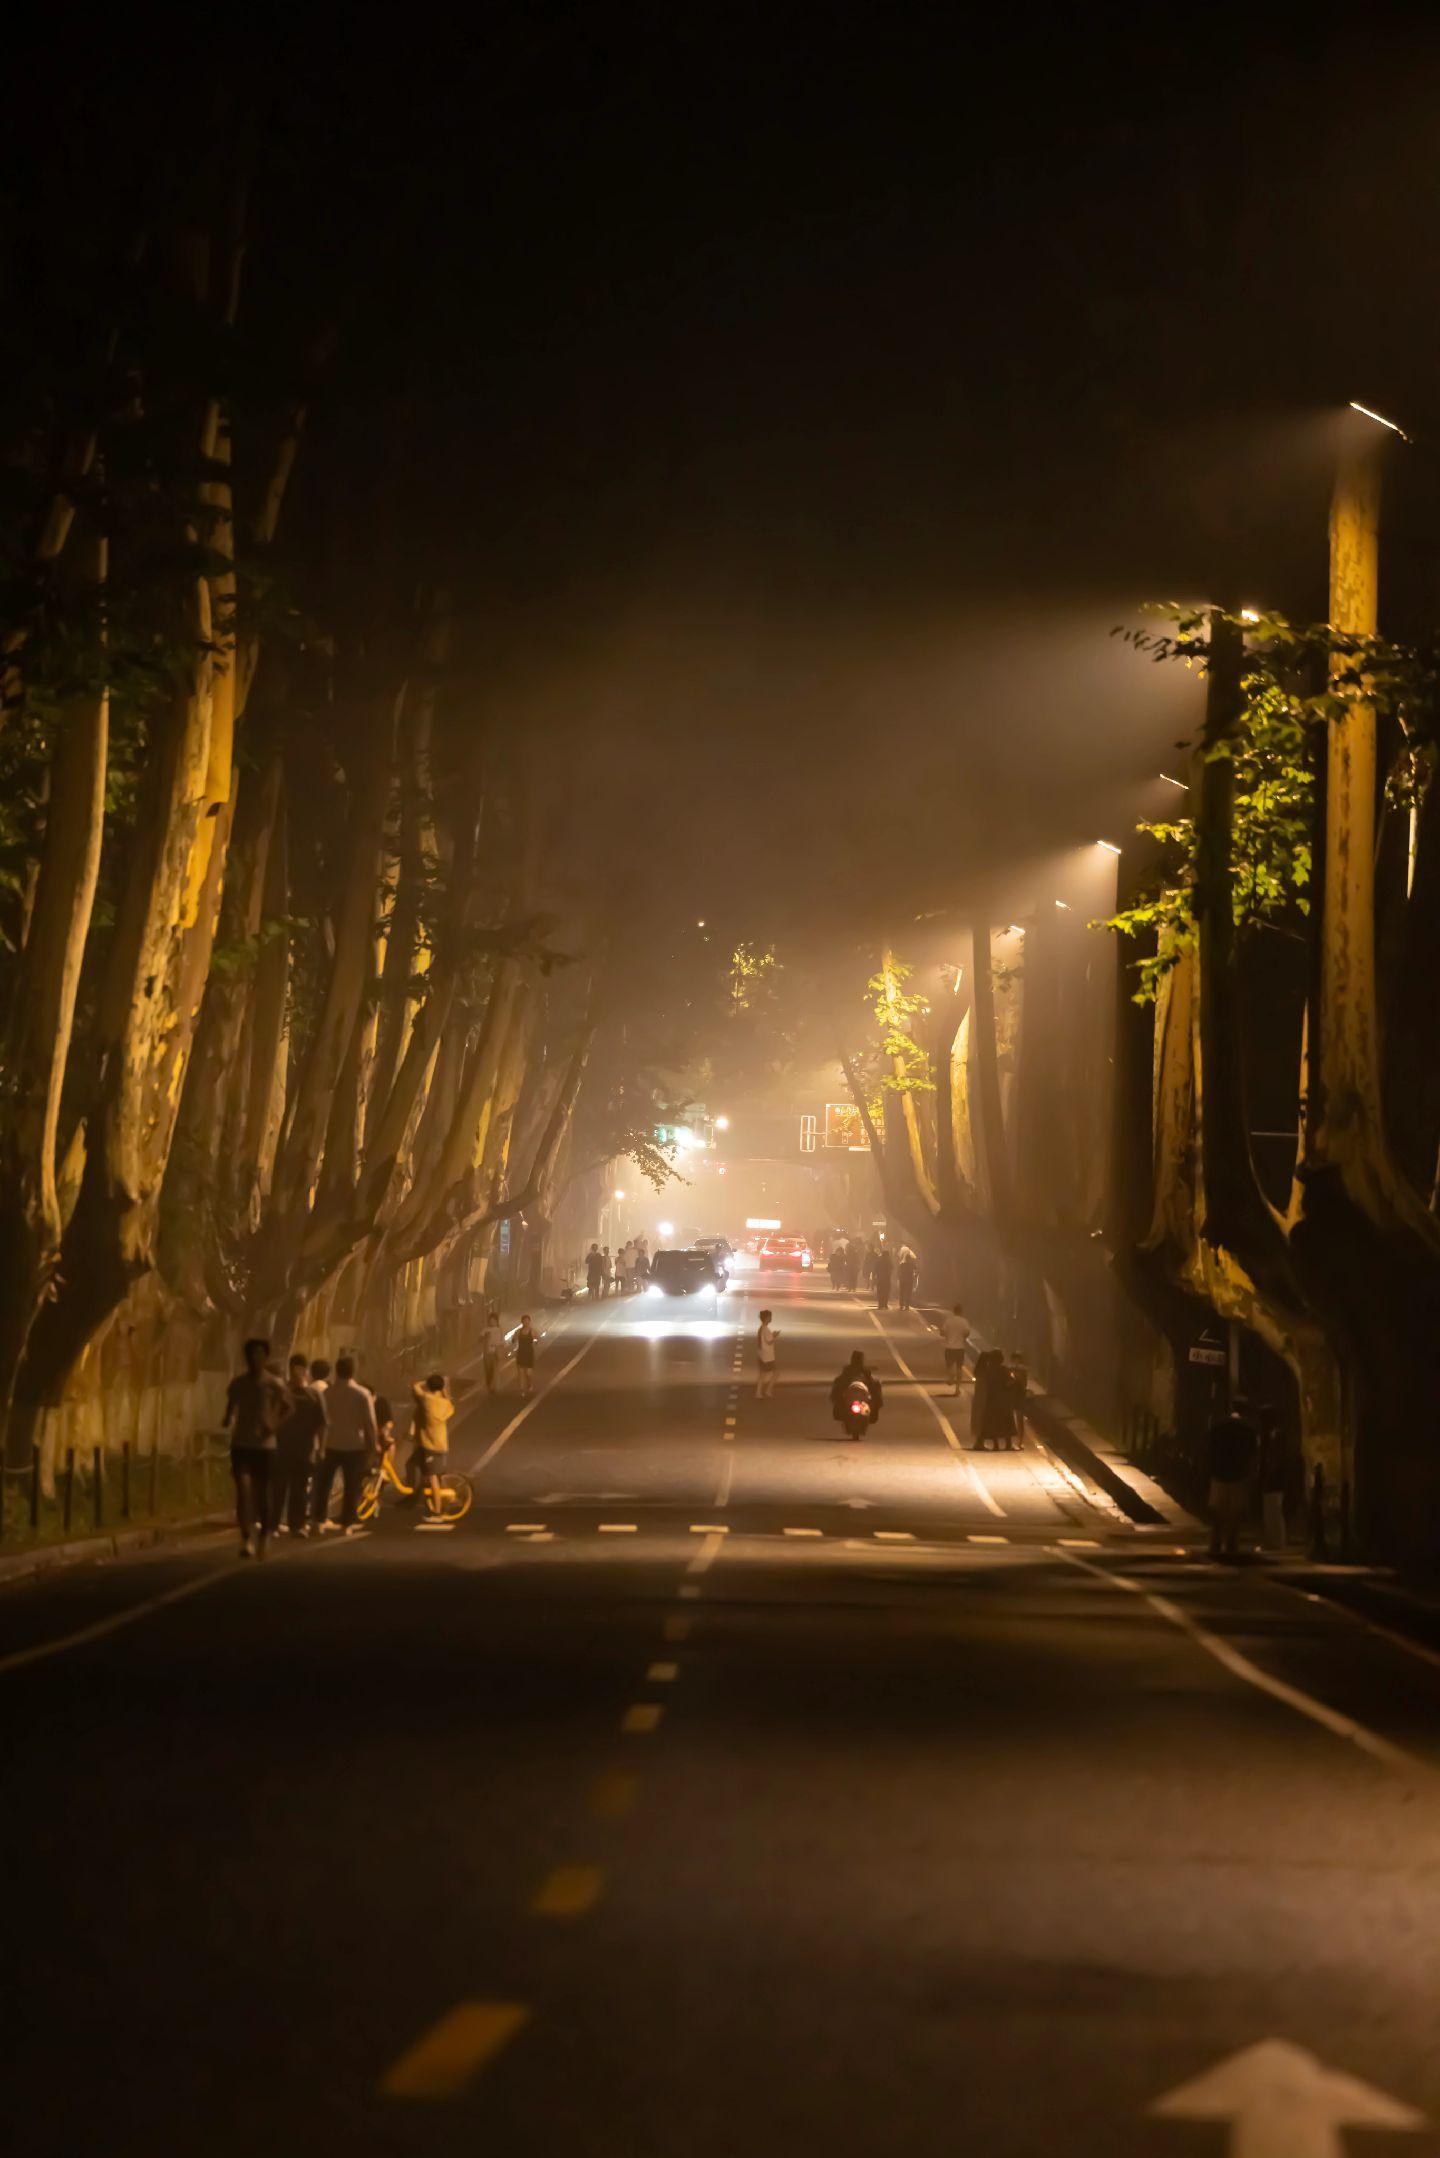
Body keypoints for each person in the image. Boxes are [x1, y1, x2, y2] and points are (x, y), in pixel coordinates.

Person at [222, 1336, 289, 1559]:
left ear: (265, 1357)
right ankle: (246, 1537)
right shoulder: (238, 1383)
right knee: (243, 1489)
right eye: (251, 1354)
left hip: (265, 1446)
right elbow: (231, 1407)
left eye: (260, 1354)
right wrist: (228, 1419)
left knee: (263, 1493)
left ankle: (264, 1536)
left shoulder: (274, 1383)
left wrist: (274, 1425)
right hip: (241, 1443)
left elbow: (290, 1407)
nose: (255, 1358)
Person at [313, 1354, 378, 1533]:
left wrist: (320, 1445)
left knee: (324, 1485)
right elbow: (370, 1424)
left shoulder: (328, 1393)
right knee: (351, 1486)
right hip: (354, 1446)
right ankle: (347, 1524)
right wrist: (373, 1447)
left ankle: (318, 1520)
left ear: (337, 1371)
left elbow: (320, 1421)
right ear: (353, 1371)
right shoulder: (362, 1394)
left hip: (330, 1444)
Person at [273, 1352, 327, 1536]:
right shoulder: (282, 1392)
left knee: (300, 1488)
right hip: (281, 1447)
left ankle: (296, 1525)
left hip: (305, 1449)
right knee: (278, 1487)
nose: (300, 1372)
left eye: (302, 1369)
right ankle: (273, 1524)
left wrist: (321, 1447)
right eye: (297, 1369)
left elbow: (322, 1423)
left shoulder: (314, 1395)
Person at [1207, 1397, 1259, 1560]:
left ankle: (1215, 1543)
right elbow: (1253, 1454)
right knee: (1236, 1512)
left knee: (1218, 1510)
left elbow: (1210, 1448)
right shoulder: (1248, 1430)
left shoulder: (1219, 1426)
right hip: (1239, 1475)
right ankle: (1231, 1543)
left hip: (1219, 1473)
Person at [412, 1372, 456, 1514]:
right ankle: (439, 1502)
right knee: (435, 1475)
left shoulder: (427, 1400)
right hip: (442, 1444)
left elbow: (414, 1386)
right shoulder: (446, 1404)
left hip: (430, 1445)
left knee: (433, 1480)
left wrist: (425, 1381)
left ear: (429, 1386)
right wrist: (442, 1386)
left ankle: (437, 1511)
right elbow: (447, 1397)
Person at [829, 1349, 884, 1435]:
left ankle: (870, 1414)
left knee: (876, 1395)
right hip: (850, 1396)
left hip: (862, 1395)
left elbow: (873, 1387)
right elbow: (839, 1386)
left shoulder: (864, 1372)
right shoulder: (848, 1371)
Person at [1258, 1403, 1288, 1551]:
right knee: (1271, 1511)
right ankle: (1272, 1541)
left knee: (1274, 1510)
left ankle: (1276, 1542)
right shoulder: (1272, 1435)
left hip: (1274, 1479)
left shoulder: (1276, 1435)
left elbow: (1274, 1459)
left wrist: (1268, 1473)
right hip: (1273, 1479)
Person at [970, 1345, 1008, 1450]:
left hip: (978, 1399)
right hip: (984, 1400)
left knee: (979, 1422)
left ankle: (979, 1443)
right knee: (983, 1422)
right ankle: (979, 1443)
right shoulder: (986, 1372)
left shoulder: (979, 1371)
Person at [939, 1303, 972, 1395]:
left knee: (949, 1365)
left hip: (949, 1347)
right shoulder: (964, 1321)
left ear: (954, 1311)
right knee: (959, 1368)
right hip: (960, 1348)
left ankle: (951, 1377)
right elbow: (967, 1333)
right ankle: (957, 1389)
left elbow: (942, 1332)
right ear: (961, 1312)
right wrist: (962, 1337)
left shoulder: (949, 1321)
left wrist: (948, 1335)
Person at [1002, 1351, 1028, 1449]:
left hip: (1018, 1396)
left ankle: (1019, 1442)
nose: (1017, 1362)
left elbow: (1022, 1383)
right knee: (1011, 1419)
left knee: (1019, 1419)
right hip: (1012, 1396)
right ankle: (1011, 1442)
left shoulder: (1021, 1370)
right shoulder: (1009, 1369)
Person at [755, 1308, 780, 1398]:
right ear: (766, 1318)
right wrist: (775, 1336)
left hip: (762, 1355)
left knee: (762, 1375)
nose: (771, 1318)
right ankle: (767, 1391)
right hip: (768, 1357)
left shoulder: (762, 1328)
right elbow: (769, 1341)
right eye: (770, 1317)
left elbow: (762, 1341)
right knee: (776, 1373)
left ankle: (759, 1393)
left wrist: (772, 1335)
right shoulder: (765, 1329)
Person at [481, 1307, 506, 1393]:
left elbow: (503, 1341)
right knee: (488, 1370)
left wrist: (496, 1344)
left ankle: (496, 1387)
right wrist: (484, 1337)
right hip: (487, 1353)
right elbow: (480, 1339)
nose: (492, 1322)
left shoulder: (500, 1330)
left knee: (496, 1369)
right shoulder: (485, 1330)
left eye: (494, 1320)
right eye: (490, 1320)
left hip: (496, 1352)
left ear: (496, 1321)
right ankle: (489, 1385)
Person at [515, 1314, 538, 1396]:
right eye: (524, 1321)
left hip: (529, 1353)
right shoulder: (518, 1331)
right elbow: (513, 1340)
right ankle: (521, 1388)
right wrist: (514, 1338)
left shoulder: (532, 1331)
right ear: (522, 1322)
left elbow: (536, 1339)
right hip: (521, 1352)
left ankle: (530, 1384)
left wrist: (535, 1340)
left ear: (529, 1321)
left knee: (528, 1372)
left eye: (527, 1321)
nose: (526, 1322)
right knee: (520, 1372)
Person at [896, 1244, 919, 1310]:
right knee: (908, 1293)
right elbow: (916, 1270)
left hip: (902, 1280)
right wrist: (915, 1275)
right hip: (909, 1280)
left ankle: (901, 1305)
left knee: (902, 1293)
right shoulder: (912, 1265)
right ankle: (907, 1306)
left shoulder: (902, 1265)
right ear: (910, 1259)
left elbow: (898, 1272)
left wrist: (898, 1278)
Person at [873, 1245, 893, 1311]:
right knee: (886, 1292)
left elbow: (875, 1269)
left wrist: (874, 1276)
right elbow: (892, 1267)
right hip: (887, 1279)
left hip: (880, 1279)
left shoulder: (879, 1260)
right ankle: (885, 1304)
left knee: (880, 1292)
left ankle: (880, 1304)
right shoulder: (888, 1260)